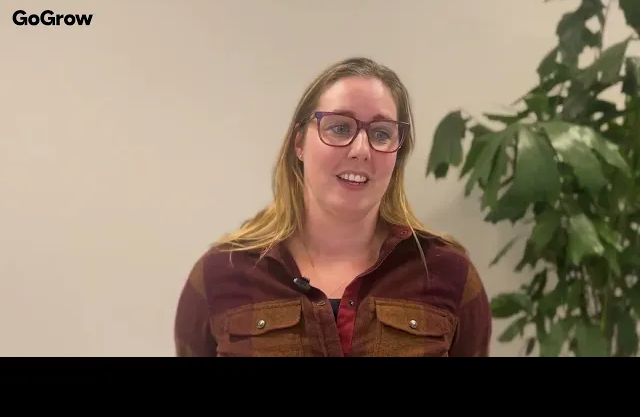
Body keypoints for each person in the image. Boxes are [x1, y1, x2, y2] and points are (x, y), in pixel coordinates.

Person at [174, 57, 492, 357]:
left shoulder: (449, 273)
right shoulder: (221, 273)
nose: (361, 150)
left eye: (381, 133)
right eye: (340, 128)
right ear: (299, 142)